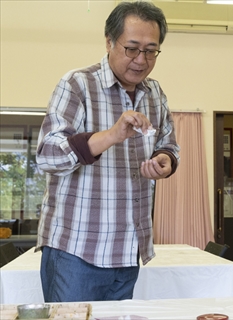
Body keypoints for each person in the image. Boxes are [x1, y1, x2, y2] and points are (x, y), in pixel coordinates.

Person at [35, 1, 180, 302]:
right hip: (76, 252)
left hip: (129, 251)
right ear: (109, 41)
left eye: (151, 50)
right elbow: (48, 155)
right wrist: (112, 135)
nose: (141, 59)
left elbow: (168, 143)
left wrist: (164, 160)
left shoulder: (155, 94)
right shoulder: (77, 85)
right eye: (132, 48)